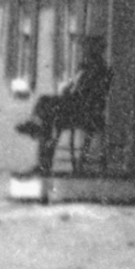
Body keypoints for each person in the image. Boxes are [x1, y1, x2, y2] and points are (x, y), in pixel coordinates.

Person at [14, 34, 110, 177]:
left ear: (96, 50)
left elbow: (88, 95)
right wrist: (69, 89)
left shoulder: (98, 70)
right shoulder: (84, 68)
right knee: (46, 109)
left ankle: (42, 158)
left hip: (85, 112)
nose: (84, 51)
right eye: (85, 47)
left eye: (88, 48)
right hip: (75, 107)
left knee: (47, 108)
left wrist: (69, 93)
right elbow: (73, 88)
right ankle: (41, 152)